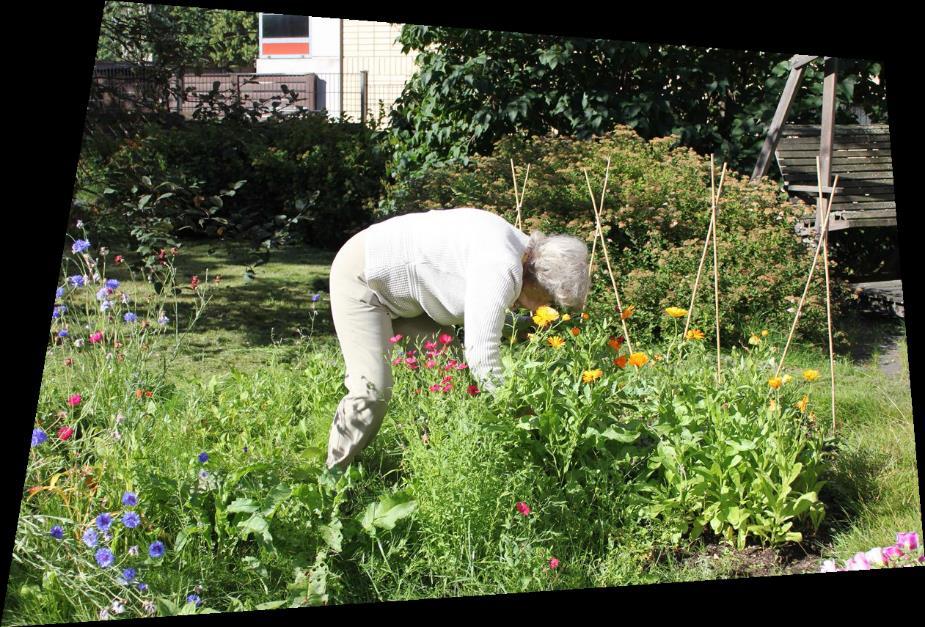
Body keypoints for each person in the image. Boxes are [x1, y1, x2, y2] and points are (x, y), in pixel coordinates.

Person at [325, 207, 590, 473]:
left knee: (449, 378)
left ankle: (433, 465)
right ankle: (332, 476)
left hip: (407, 294)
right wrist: (513, 411)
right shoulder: (500, 267)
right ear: (539, 280)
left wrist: (522, 328)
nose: (544, 306)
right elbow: (481, 355)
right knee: (373, 388)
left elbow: (482, 312)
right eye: (549, 298)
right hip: (365, 275)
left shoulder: (524, 253)